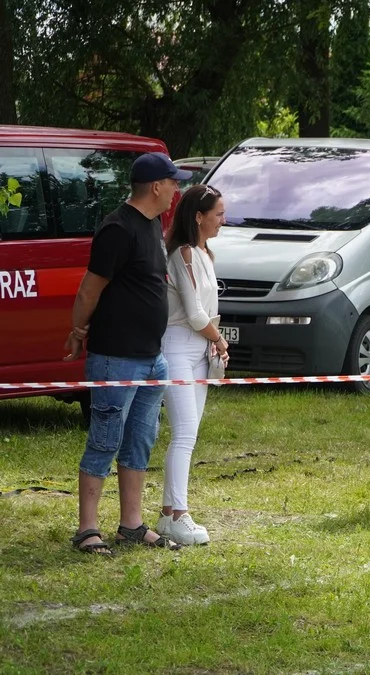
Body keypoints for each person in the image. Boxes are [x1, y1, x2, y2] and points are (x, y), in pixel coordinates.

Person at [65, 152, 192, 554]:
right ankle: (87, 529)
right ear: (156, 186)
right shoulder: (118, 229)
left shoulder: (153, 224)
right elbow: (90, 289)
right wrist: (77, 331)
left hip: (152, 357)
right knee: (105, 439)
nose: (177, 189)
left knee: (139, 440)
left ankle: (131, 525)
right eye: (173, 183)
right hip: (116, 356)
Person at [157, 185, 228, 546]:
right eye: (218, 214)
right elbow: (194, 311)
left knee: (190, 433)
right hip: (178, 347)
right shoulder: (182, 255)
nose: (223, 220)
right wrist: (218, 337)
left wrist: (213, 342)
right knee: (184, 433)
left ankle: (169, 513)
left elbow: (205, 312)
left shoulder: (205, 254)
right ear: (198, 217)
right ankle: (179, 514)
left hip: (199, 350)